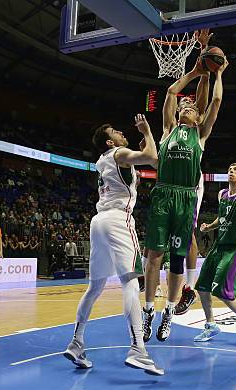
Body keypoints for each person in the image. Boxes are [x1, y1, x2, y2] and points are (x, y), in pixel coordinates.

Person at [64, 114, 164, 375]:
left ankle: (76, 342)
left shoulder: (102, 162)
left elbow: (133, 172)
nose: (122, 133)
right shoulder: (119, 152)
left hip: (98, 222)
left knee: (94, 287)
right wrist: (147, 132)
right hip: (119, 220)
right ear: (110, 142)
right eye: (117, 132)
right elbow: (152, 156)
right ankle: (138, 349)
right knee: (131, 283)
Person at [142, 54, 229, 343]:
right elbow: (170, 91)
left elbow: (215, 102)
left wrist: (219, 73)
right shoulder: (167, 130)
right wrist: (193, 72)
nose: (187, 105)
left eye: (192, 105)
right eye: (185, 105)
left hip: (185, 197)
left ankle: (168, 311)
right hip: (163, 194)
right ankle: (148, 311)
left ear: (198, 116)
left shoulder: (200, 134)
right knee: (154, 256)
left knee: (177, 258)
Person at [193, 163, 236, 345]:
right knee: (203, 286)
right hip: (219, 245)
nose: (231, 171)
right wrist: (209, 227)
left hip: (235, 246)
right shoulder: (222, 194)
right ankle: (211, 324)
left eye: (235, 169)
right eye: (229, 169)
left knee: (221, 289)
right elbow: (222, 218)